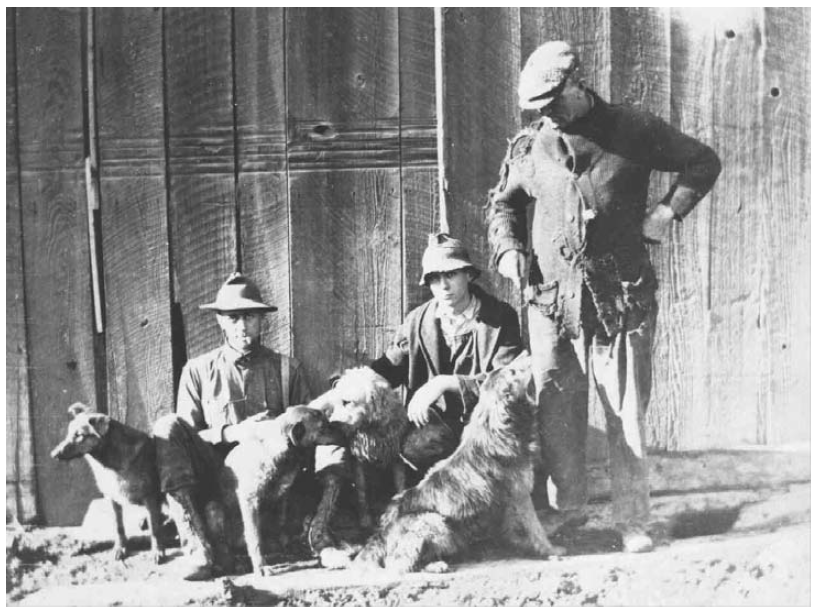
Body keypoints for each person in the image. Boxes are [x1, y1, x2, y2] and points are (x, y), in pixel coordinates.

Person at [486, 41, 721, 553]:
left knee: (626, 411)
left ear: (578, 82)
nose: (547, 113)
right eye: (538, 108)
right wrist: (507, 251)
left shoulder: (633, 130)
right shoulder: (529, 147)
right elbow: (502, 205)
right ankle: (568, 514)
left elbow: (702, 161)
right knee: (556, 409)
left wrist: (665, 213)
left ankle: (633, 520)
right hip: (551, 304)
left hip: (621, 297)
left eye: (553, 100)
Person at [153, 272, 347, 580]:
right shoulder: (198, 371)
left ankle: (315, 536)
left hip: (274, 481)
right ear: (219, 321)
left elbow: (313, 430)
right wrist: (233, 432)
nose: (242, 326)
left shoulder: (287, 369)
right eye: (233, 318)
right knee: (166, 428)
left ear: (262, 321)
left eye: (251, 317)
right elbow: (186, 440)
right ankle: (197, 549)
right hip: (217, 476)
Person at [370, 233, 523, 479]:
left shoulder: (500, 317)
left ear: (469, 275)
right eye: (435, 279)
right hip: (439, 425)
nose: (443, 286)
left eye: (451, 275)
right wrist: (347, 386)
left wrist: (445, 383)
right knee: (416, 447)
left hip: (487, 422)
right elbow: (389, 366)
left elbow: (508, 380)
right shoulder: (418, 321)